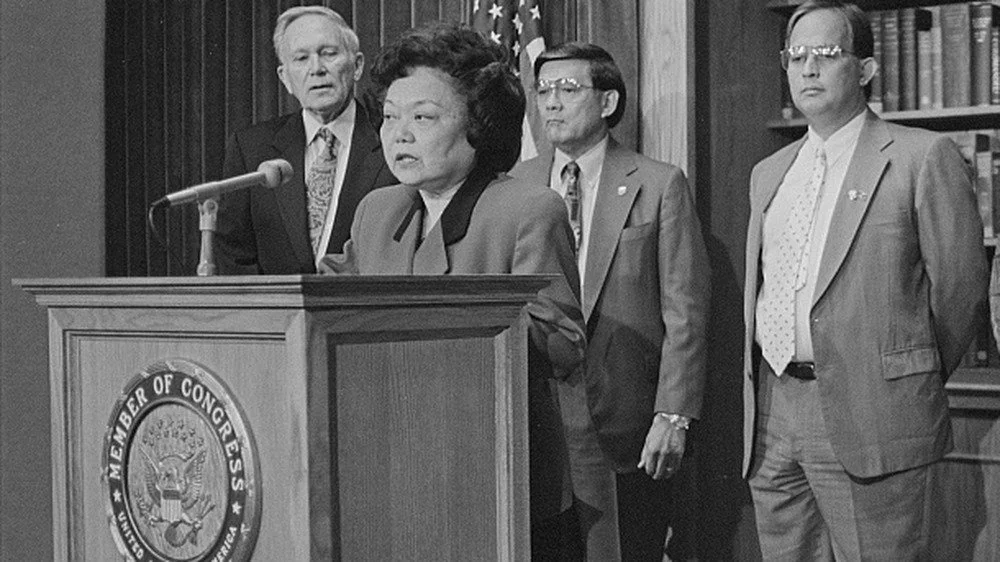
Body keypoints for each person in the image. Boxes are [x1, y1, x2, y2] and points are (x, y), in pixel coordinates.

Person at [320, 22, 587, 559]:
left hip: (489, 468)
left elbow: (564, 344)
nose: (398, 135)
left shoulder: (527, 209)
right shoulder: (378, 210)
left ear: (479, 127)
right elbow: (327, 307)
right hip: (385, 462)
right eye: (391, 118)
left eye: (422, 118)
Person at [743, 1, 989, 558]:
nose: (807, 69)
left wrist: (903, 372)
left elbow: (961, 292)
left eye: (826, 54)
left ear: (866, 69)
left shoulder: (921, 156)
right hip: (774, 413)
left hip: (876, 414)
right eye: (796, 55)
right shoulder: (769, 173)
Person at [511, 43, 710, 561]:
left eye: (568, 89)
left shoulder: (657, 183)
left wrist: (674, 415)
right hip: (538, 418)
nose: (551, 103)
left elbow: (685, 310)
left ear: (607, 102)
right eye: (544, 90)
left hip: (627, 422)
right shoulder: (516, 184)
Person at [216, 6, 396, 274]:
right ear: (285, 78)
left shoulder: (391, 136)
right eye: (301, 58)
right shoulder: (251, 147)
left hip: (362, 312)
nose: (317, 69)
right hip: (277, 314)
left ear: (357, 66)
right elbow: (234, 254)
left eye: (329, 54)